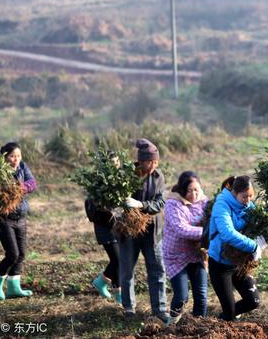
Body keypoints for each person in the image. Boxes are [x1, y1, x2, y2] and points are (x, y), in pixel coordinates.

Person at [118, 138, 169, 323]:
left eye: (156, 162)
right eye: (150, 162)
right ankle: (129, 308)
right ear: (141, 161)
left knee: (157, 270)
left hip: (152, 232)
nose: (154, 165)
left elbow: (160, 203)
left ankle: (160, 309)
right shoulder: (126, 174)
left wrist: (141, 205)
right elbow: (116, 199)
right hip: (128, 231)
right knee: (127, 271)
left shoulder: (159, 177)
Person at [207, 175, 265, 321]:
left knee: (253, 301)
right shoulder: (222, 205)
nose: (249, 200)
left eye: (251, 196)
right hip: (220, 265)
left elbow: (259, 220)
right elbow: (227, 233)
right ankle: (220, 326)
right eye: (245, 197)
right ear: (234, 193)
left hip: (239, 263)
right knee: (230, 312)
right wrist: (253, 246)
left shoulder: (248, 205)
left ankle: (225, 319)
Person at [163, 171, 208, 325]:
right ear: (182, 190)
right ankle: (172, 325)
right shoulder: (172, 204)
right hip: (176, 255)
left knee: (201, 295)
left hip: (196, 254)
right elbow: (181, 229)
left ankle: (198, 326)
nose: (194, 194)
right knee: (182, 296)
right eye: (190, 190)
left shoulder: (205, 202)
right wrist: (208, 233)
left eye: (197, 189)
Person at [0, 142, 37, 300]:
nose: (16, 159)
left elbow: (32, 184)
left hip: (21, 217)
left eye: (18, 156)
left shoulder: (22, 167)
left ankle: (13, 287)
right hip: (4, 218)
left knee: (22, 254)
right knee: (12, 254)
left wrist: (19, 188)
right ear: (5, 157)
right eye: (12, 156)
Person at [85, 153, 121, 303]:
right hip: (105, 228)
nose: (114, 166)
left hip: (119, 227)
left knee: (119, 260)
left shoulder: (121, 180)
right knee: (118, 260)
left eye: (116, 162)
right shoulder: (98, 184)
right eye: (110, 164)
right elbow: (94, 210)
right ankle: (109, 287)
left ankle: (108, 287)